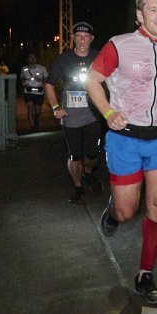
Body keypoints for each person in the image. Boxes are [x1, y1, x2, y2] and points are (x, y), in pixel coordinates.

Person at [86, 0, 157, 307]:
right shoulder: (119, 45)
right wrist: (108, 113)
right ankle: (114, 211)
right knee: (126, 211)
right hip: (125, 138)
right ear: (140, 16)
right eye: (153, 10)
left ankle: (145, 276)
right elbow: (91, 80)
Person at [44, 22, 103, 203]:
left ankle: (88, 172)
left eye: (86, 37)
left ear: (91, 39)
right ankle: (78, 187)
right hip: (70, 117)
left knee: (92, 154)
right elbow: (49, 84)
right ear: (73, 38)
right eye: (78, 36)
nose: (82, 40)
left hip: (93, 114)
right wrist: (56, 107)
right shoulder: (63, 59)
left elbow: (114, 80)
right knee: (74, 154)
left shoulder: (99, 57)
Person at [20, 53, 48, 131]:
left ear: (36, 59)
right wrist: (23, 82)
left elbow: (47, 78)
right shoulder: (24, 69)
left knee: (38, 112)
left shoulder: (41, 68)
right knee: (30, 107)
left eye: (34, 57)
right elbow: (21, 77)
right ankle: (33, 127)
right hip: (28, 91)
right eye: (30, 57)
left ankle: (36, 118)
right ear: (27, 59)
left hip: (38, 91)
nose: (32, 59)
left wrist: (40, 79)